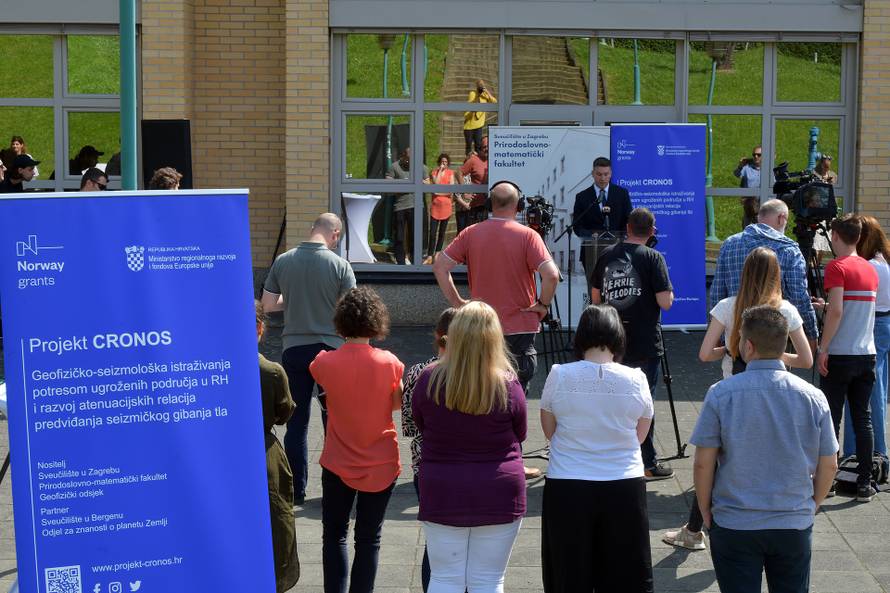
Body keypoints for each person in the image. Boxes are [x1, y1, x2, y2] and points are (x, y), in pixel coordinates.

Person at [664, 247, 814, 551]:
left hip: (734, 391)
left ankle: (695, 530)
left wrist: (733, 349)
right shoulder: (786, 310)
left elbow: (704, 354)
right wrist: (773, 351)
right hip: (776, 392)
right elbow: (806, 360)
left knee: (717, 460)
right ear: (776, 275)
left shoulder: (727, 306)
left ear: (744, 273)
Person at [691, 305, 838, 593]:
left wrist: (704, 508)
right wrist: (813, 504)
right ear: (784, 345)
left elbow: (702, 463)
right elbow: (829, 463)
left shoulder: (720, 394)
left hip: (735, 521)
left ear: (747, 345)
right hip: (792, 520)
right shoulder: (814, 397)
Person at [412, 301, 526, 593]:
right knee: (488, 580)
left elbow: (421, 425)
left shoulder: (428, 379)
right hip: (499, 488)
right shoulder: (508, 384)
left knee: (444, 578)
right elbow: (520, 432)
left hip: (443, 487)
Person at [540, 304, 654, 593]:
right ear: (618, 336)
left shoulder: (559, 375)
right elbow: (640, 435)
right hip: (624, 483)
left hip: (568, 483)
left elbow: (550, 431)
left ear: (581, 335)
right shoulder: (637, 378)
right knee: (625, 575)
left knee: (569, 574)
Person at [309, 287, 403, 593]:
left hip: (337, 459)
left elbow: (319, 376)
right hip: (381, 461)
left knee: (334, 534)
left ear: (340, 322)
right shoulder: (390, 363)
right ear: (377, 322)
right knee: (369, 537)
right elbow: (396, 403)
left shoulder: (323, 363)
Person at [433, 180, 561, 396]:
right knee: (516, 394)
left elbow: (440, 267)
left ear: (490, 204)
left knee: (482, 391)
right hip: (520, 326)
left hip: (481, 325)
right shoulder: (529, 236)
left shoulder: (470, 233)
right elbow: (552, 275)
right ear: (518, 205)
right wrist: (543, 304)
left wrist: (458, 303)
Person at [262, 213, 356, 505]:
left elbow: (268, 306)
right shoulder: (341, 265)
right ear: (335, 235)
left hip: (294, 349)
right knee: (335, 421)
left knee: (297, 423)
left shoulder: (284, 260)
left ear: (312, 228)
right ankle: (335, 488)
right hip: (330, 351)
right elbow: (351, 313)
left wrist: (296, 297)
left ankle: (296, 491)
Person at [590, 207, 675, 480]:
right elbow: (666, 302)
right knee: (643, 402)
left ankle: (608, 456)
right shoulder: (653, 258)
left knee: (609, 398)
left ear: (627, 227)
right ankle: (647, 462)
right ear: (652, 231)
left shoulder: (606, 255)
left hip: (612, 340)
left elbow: (595, 298)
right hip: (644, 341)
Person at [816, 214, 879, 502]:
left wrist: (823, 347)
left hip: (840, 354)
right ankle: (865, 484)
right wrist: (828, 305)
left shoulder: (836, 267)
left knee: (832, 419)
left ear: (836, 237)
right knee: (862, 419)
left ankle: (827, 483)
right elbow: (851, 306)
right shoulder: (870, 269)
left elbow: (838, 311)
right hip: (866, 353)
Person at [400, 308, 457, 593]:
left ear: (437, 335)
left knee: (434, 542)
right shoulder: (477, 373)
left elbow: (409, 427)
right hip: (467, 466)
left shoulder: (418, 373)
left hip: (426, 466)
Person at [710, 199, 818, 347]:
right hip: (773, 337)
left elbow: (717, 292)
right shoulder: (789, 250)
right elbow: (799, 297)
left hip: (735, 334)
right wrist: (812, 333)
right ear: (781, 218)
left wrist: (716, 332)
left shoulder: (729, 243)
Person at [255, 301, 300, 593]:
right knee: (274, 525)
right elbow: (285, 412)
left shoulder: (206, 368)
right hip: (264, 453)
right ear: (260, 329)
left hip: (220, 456)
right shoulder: (270, 371)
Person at [841, 215, 890, 459]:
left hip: (872, 325)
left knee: (864, 395)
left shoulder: (869, 266)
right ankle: (877, 454)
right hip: (884, 324)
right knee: (877, 391)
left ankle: (861, 455)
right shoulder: (884, 262)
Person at [573, 157, 634, 289]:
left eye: (606, 174)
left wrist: (622, 237)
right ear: (592, 174)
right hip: (591, 252)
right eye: (599, 174)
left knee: (616, 291)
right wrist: (592, 235)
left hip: (618, 251)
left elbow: (629, 222)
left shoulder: (622, 193)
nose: (602, 178)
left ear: (611, 173)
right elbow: (577, 227)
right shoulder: (582, 197)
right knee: (594, 292)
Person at [386, 147, 430, 265]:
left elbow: (428, 183)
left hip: (416, 206)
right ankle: (400, 261)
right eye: (407, 159)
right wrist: (404, 186)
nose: (409, 162)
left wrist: (418, 182)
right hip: (400, 206)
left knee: (415, 235)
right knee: (399, 236)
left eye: (412, 160)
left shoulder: (421, 167)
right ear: (403, 156)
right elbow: (387, 185)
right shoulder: (394, 167)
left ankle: (415, 260)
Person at [426, 153, 461, 264]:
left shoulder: (451, 173)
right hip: (435, 206)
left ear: (448, 163)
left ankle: (437, 253)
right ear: (439, 162)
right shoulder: (434, 173)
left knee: (442, 232)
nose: (443, 164)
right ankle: (429, 255)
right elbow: (436, 185)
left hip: (446, 206)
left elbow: (449, 190)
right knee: (432, 233)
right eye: (442, 162)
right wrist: (440, 172)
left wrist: (439, 192)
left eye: (445, 162)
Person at [457, 136, 489, 232]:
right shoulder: (474, 160)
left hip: (493, 207)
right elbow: (458, 172)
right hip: (478, 208)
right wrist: (465, 191)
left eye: (489, 146)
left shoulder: (496, 160)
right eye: (484, 147)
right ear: (480, 148)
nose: (487, 149)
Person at [463, 79, 497, 156]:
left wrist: (487, 92)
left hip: (479, 124)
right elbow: (471, 104)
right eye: (479, 86)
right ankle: (468, 162)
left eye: (482, 86)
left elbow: (495, 102)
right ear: (476, 87)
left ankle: (477, 162)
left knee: (478, 146)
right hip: (469, 124)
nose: (480, 88)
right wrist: (478, 95)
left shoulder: (485, 95)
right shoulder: (473, 93)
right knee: (468, 146)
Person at [733, 145, 763, 227]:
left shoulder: (769, 169)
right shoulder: (747, 167)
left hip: (764, 203)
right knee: (747, 228)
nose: (756, 156)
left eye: (759, 155)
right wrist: (740, 165)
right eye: (754, 155)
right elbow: (737, 174)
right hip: (750, 204)